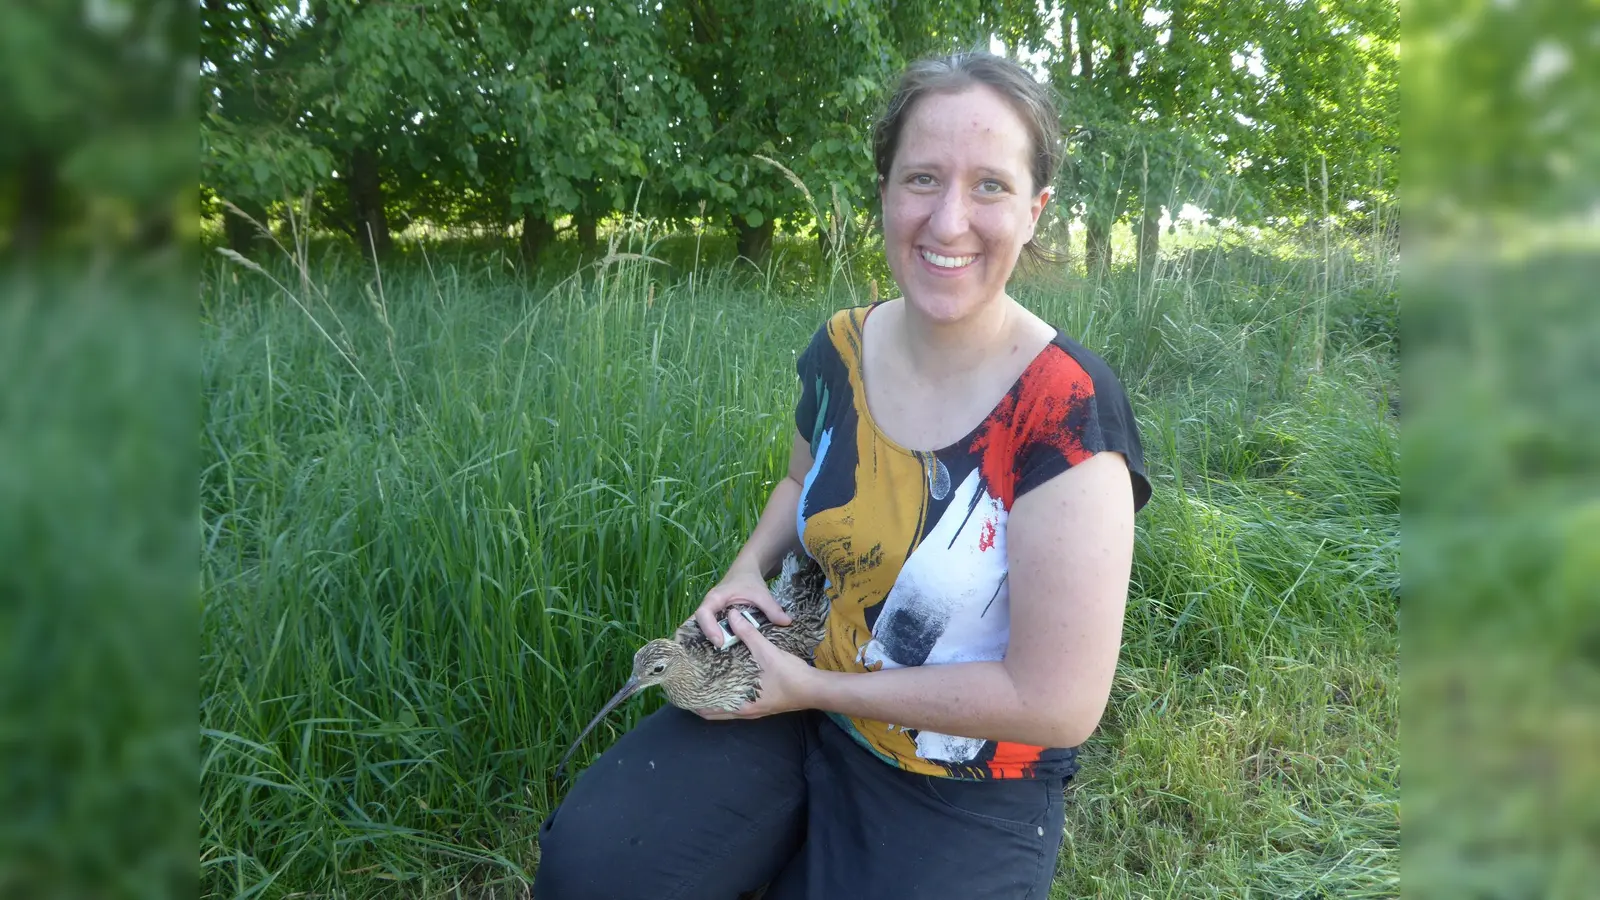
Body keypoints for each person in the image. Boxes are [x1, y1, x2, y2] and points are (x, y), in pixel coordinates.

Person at [535, 50, 1152, 900]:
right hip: (794, 701)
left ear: (1034, 209)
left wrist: (815, 686)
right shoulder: (840, 348)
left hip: (956, 774)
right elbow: (798, 486)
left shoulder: (1066, 407)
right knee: (594, 872)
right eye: (922, 178)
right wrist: (746, 568)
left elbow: (1058, 703)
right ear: (885, 192)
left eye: (990, 186)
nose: (948, 222)